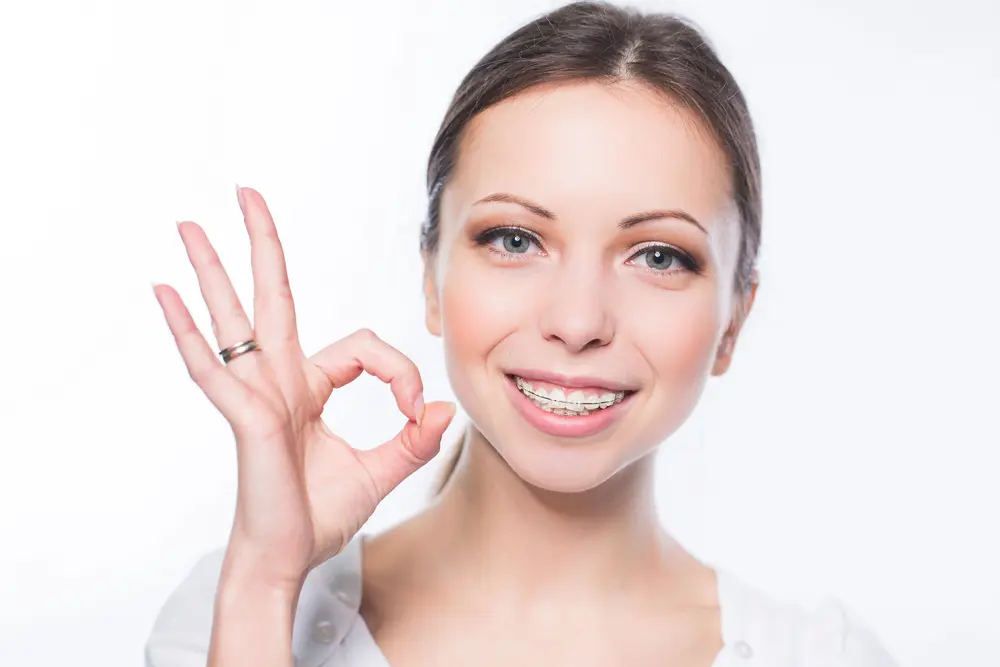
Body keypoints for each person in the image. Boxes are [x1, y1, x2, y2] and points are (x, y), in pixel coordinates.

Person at [146, 2, 899, 665]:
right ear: (431, 278)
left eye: (659, 255)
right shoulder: (240, 610)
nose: (576, 323)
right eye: (514, 239)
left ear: (733, 319)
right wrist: (267, 579)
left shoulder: (825, 657)